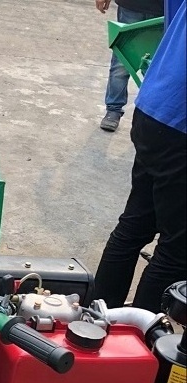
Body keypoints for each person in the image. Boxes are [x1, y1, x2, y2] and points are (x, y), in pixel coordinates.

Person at [94, 0, 186, 312]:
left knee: (134, 225)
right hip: (181, 122)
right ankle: (143, 345)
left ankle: (94, 320)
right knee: (177, 250)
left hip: (155, 105)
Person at [96, 0, 164, 132]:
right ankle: (113, 110)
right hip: (131, 6)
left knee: (157, 66)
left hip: (164, 10)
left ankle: (151, 114)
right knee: (121, 62)